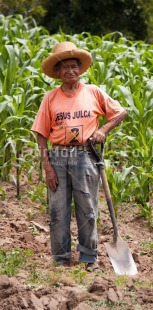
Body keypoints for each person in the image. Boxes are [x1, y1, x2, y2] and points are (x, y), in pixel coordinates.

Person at [31, 41, 127, 271]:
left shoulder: (93, 92)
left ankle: (88, 257)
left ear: (80, 69)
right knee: (58, 210)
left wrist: (103, 130)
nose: (70, 71)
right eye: (64, 67)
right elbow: (41, 135)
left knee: (87, 207)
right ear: (57, 72)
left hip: (86, 156)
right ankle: (61, 259)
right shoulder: (50, 98)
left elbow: (120, 112)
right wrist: (48, 167)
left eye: (74, 66)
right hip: (59, 157)